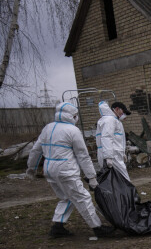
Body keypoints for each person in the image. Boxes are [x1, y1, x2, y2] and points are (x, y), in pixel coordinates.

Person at [25, 102, 115, 238]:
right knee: (82, 197)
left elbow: (36, 150)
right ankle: (98, 228)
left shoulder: (48, 128)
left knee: (66, 197)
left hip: (50, 170)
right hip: (65, 170)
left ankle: (58, 227)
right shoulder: (72, 131)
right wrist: (91, 177)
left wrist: (31, 168)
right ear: (72, 115)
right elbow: (83, 155)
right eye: (76, 115)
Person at [96, 101, 131, 181]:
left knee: (114, 179)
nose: (124, 114)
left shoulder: (113, 120)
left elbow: (117, 139)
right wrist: (108, 157)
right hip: (112, 154)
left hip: (113, 153)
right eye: (123, 112)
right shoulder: (110, 120)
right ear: (117, 109)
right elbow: (107, 137)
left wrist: (122, 153)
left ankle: (121, 193)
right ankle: (127, 193)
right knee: (123, 178)